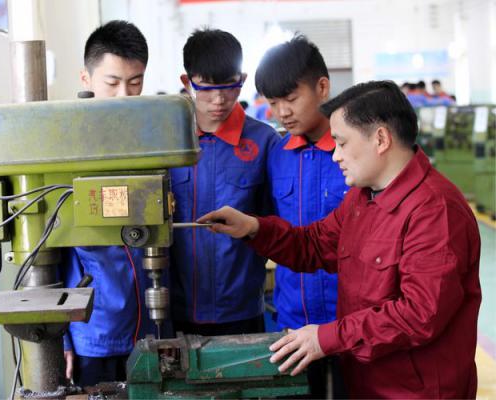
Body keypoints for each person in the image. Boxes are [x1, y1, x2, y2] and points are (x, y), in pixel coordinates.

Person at [198, 80, 481, 398]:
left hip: (416, 392)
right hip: (367, 383)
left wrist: (326, 338)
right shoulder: (363, 198)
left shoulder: (436, 212)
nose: (336, 156)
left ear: (381, 139)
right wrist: (252, 227)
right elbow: (315, 244)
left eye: (342, 143)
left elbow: (419, 315)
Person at [61, 20, 170, 387]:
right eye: (112, 83)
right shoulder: (66, 149)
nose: (125, 94)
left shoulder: (156, 142)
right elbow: (52, 251)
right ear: (86, 78)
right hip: (95, 333)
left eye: (135, 82)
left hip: (154, 324)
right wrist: (62, 338)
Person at [254, 34, 349, 398]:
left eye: (291, 99)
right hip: (293, 322)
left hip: (351, 322)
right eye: (273, 102)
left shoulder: (353, 151)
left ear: (322, 87)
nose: (282, 112)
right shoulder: (277, 156)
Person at [169, 28, 280, 336]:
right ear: (187, 82)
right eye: (206, 88)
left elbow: (279, 226)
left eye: (229, 86)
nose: (218, 99)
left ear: (242, 80)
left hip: (242, 309)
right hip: (174, 310)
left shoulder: (265, 142)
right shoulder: (167, 142)